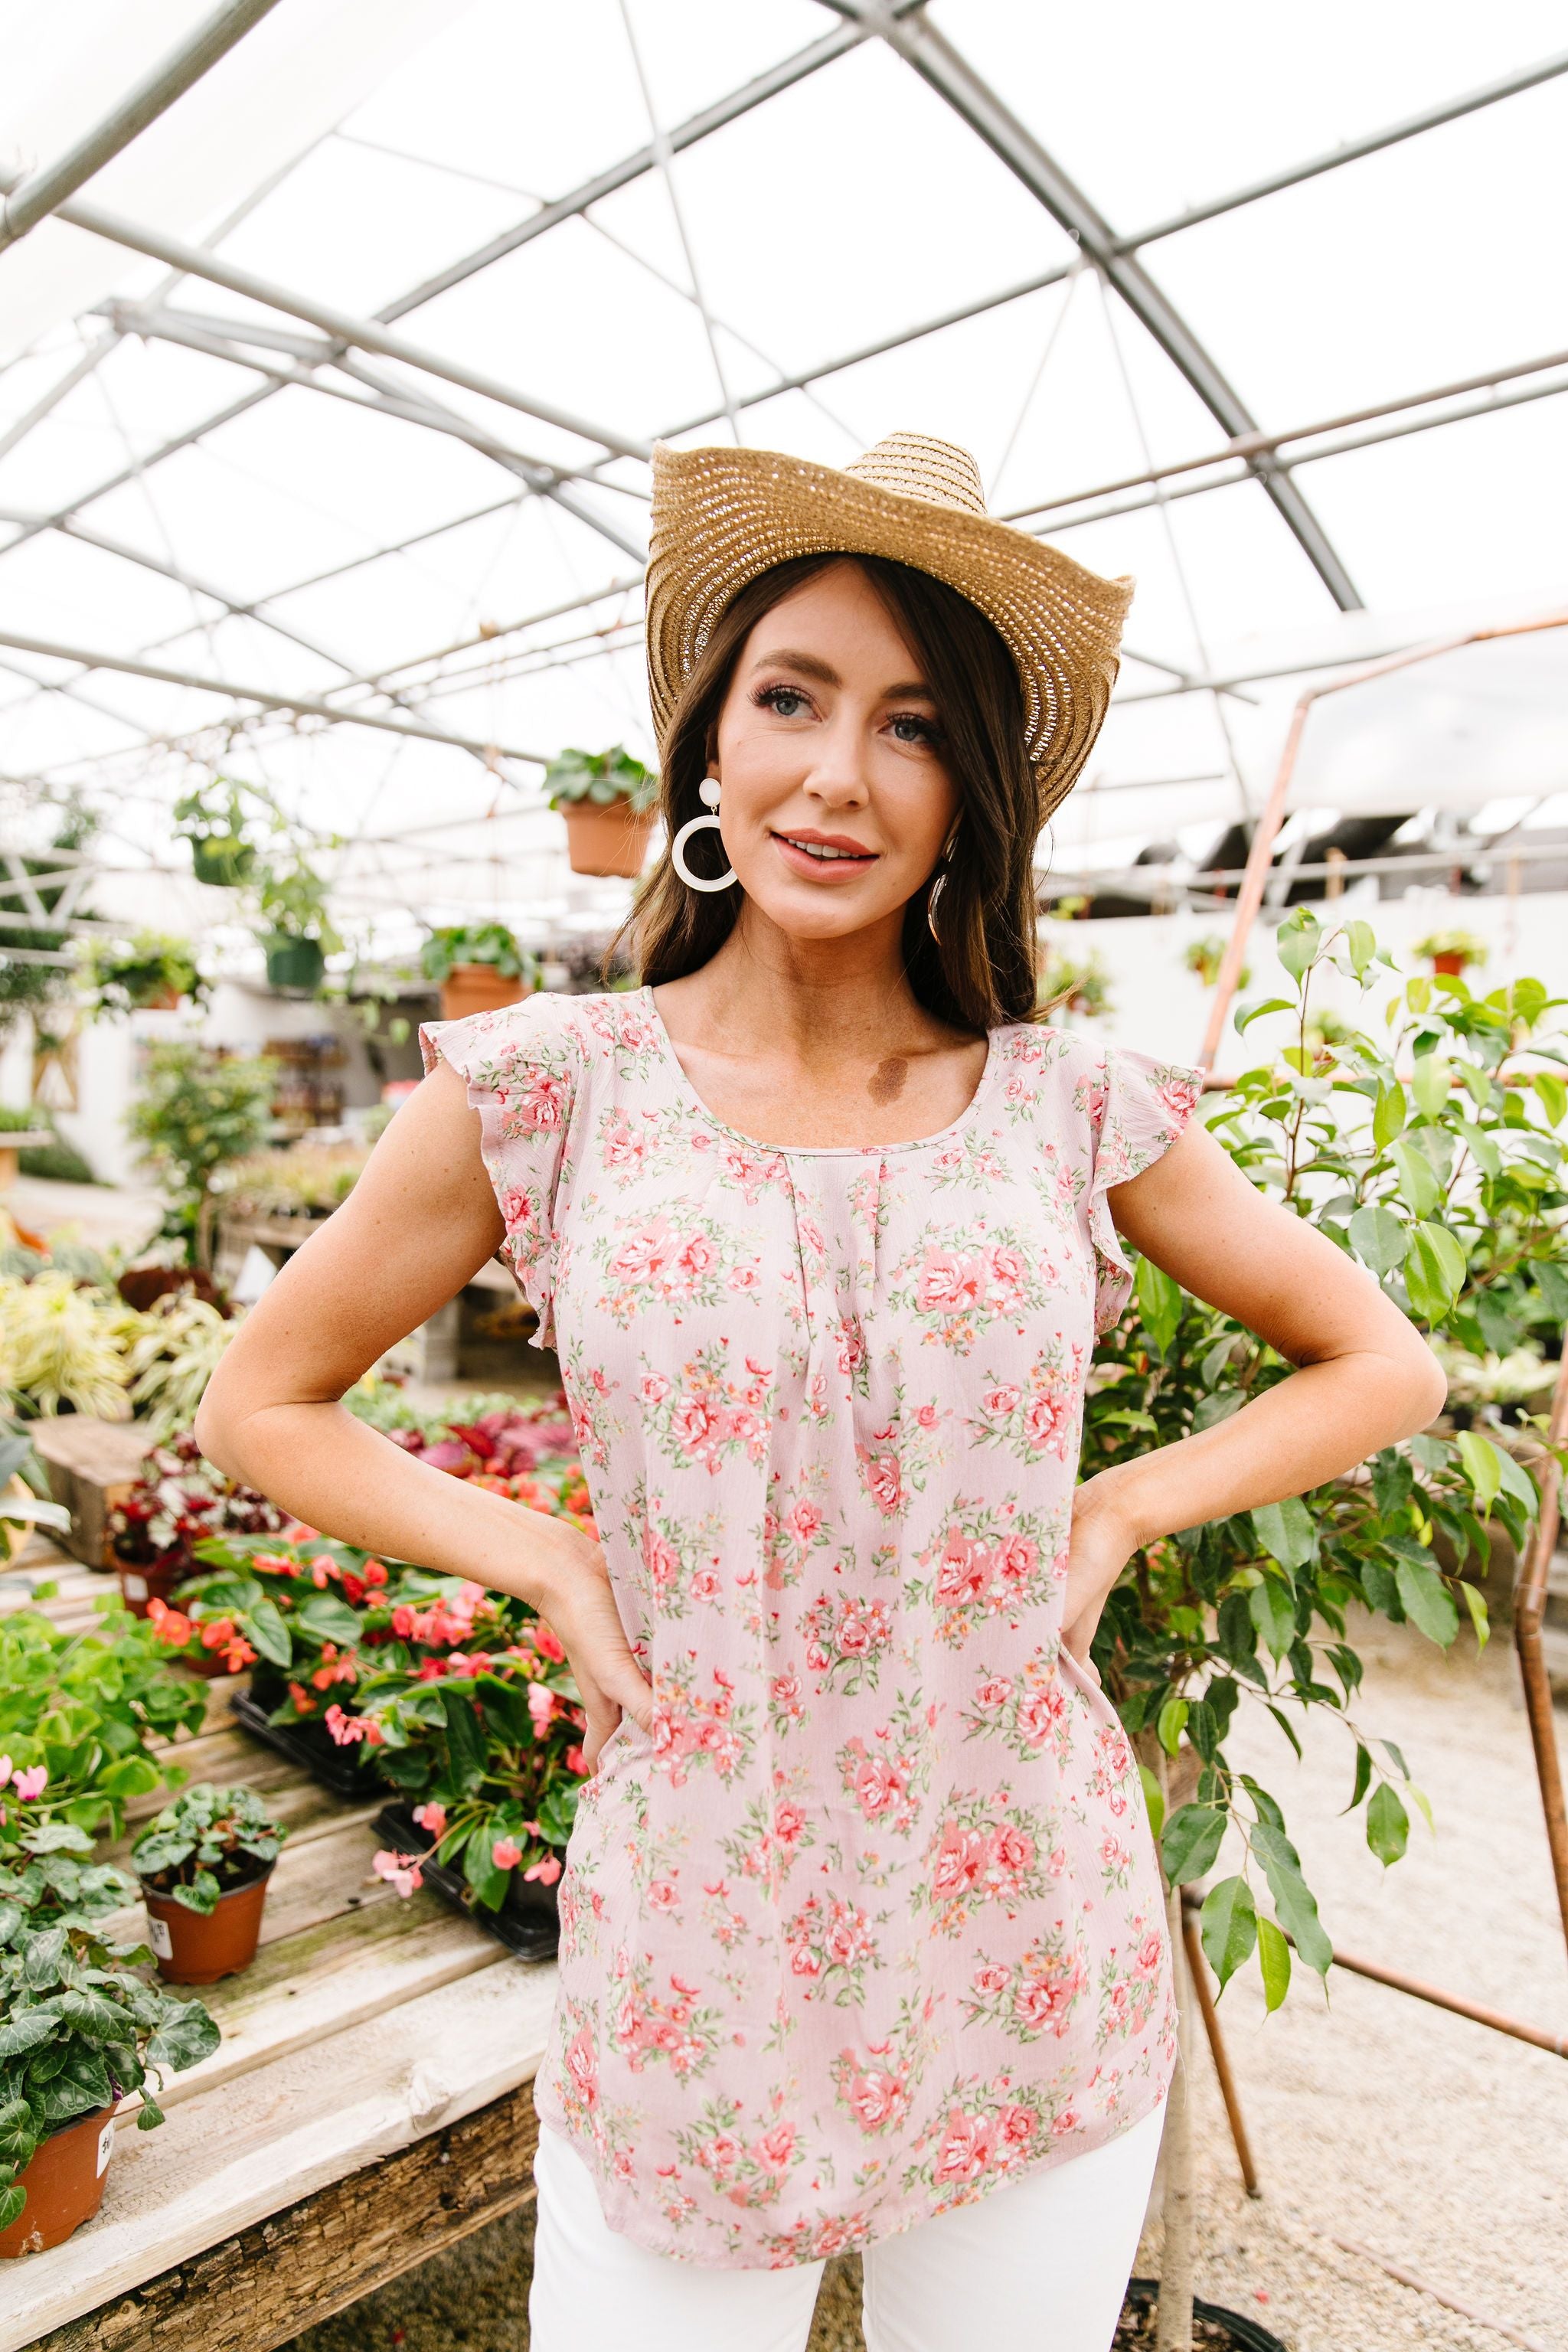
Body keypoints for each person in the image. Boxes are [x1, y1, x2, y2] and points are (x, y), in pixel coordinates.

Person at [197, 433, 1445, 2351]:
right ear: (707, 744)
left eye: (916, 726)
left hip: (1025, 1914)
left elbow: (1382, 1357)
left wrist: (1117, 1507)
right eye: (789, 698)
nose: (835, 776)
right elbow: (262, 1400)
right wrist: (539, 1552)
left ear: (976, 796)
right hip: (704, 1936)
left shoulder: (1065, 1097)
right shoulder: (543, 1085)